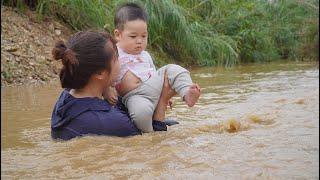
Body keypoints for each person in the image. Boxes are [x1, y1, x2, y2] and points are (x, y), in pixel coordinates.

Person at [50, 31, 176, 140]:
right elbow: (153, 144)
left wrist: (106, 88)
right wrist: (162, 103)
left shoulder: (66, 96)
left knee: (173, 123)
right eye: (117, 58)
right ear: (99, 73)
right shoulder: (117, 123)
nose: (121, 62)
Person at [103, 3, 201, 133]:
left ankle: (187, 93)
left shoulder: (145, 55)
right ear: (118, 34)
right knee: (140, 114)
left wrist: (164, 94)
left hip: (153, 85)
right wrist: (107, 90)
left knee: (174, 70)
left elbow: (154, 73)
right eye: (133, 36)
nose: (139, 41)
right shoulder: (114, 54)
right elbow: (104, 75)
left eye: (144, 36)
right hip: (135, 96)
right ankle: (150, 134)